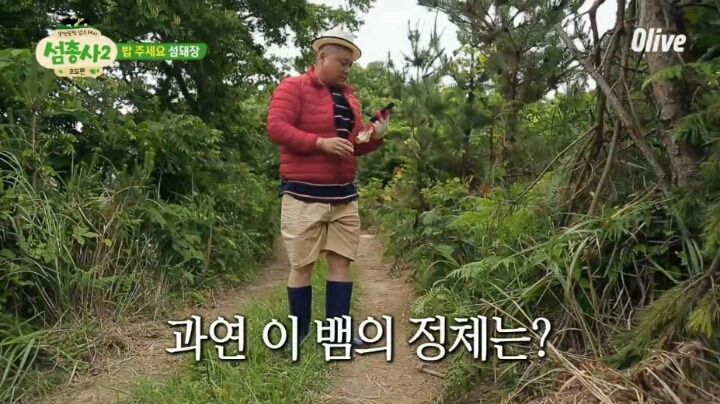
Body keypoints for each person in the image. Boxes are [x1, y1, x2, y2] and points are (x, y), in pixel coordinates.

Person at [265, 28, 391, 349]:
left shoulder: (350, 99)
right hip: (302, 194)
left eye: (350, 64)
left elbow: (351, 146)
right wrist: (320, 143)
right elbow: (276, 128)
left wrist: (375, 136)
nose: (347, 69)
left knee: (341, 262)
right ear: (322, 58)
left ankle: (338, 335)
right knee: (302, 265)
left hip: (344, 195)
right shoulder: (293, 87)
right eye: (342, 62)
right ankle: (299, 336)